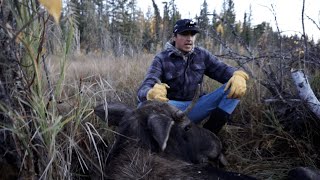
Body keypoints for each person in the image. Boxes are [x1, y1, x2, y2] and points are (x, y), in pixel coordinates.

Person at [137, 19, 249, 134]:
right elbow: (146, 85)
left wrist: (238, 74)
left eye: (192, 34)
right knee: (142, 106)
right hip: (170, 110)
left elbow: (222, 70)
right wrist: (150, 92)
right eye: (184, 34)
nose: (189, 38)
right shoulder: (161, 58)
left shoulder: (202, 55)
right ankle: (161, 136)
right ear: (174, 37)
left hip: (196, 107)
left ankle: (208, 134)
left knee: (236, 85)